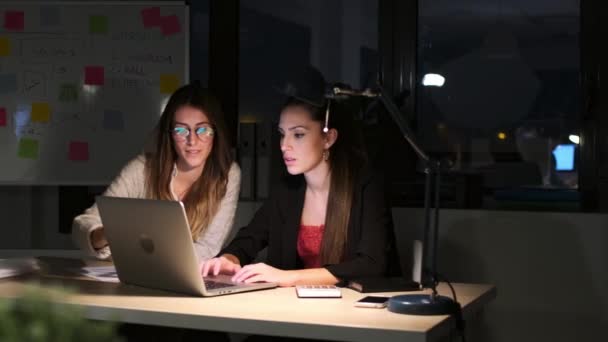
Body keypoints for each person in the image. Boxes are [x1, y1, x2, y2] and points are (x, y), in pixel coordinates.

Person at [201, 66, 394, 287]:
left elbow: (371, 263)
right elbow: (248, 239)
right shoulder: (287, 191)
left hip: (353, 312)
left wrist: (288, 277)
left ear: (328, 138)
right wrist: (227, 260)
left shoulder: (366, 185)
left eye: (298, 134)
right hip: (294, 309)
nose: (284, 145)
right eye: (282, 134)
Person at [72, 83, 241, 262]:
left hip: (187, 277)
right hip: (134, 276)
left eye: (203, 129)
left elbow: (209, 248)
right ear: (169, 134)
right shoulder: (142, 169)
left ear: (216, 132)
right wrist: (108, 232)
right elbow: (82, 226)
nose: (192, 140)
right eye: (181, 130)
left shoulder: (228, 174)